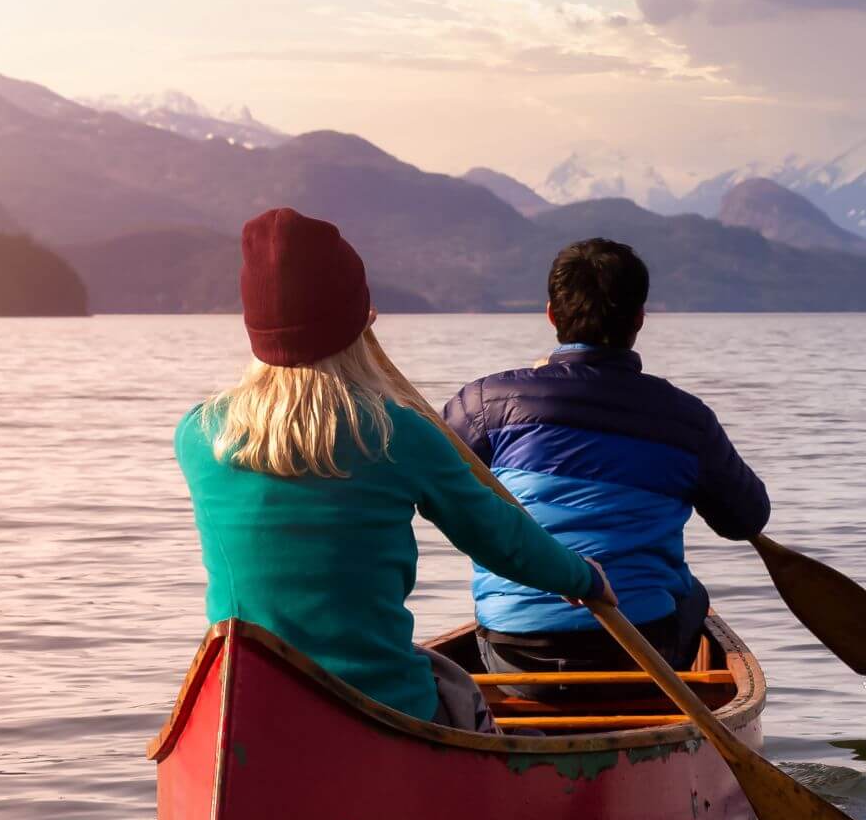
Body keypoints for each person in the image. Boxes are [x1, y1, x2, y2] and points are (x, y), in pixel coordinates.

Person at [175, 207, 614, 731]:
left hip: (241, 706)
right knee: (457, 691)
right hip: (376, 701)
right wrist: (583, 578)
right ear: (357, 320)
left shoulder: (199, 435)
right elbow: (501, 539)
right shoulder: (396, 435)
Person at [442, 238, 769, 684]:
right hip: (644, 647)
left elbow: (435, 480)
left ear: (552, 316)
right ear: (639, 319)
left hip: (512, 648)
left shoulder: (485, 403)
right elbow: (746, 518)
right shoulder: (686, 420)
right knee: (692, 597)